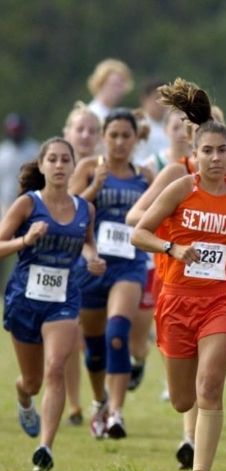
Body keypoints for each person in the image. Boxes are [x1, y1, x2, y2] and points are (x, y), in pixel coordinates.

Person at [132, 118, 226, 471]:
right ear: (195, 155)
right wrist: (171, 249)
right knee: (181, 399)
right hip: (176, 301)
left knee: (209, 386)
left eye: (221, 151)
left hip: (220, 301)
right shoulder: (180, 189)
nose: (214, 158)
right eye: (206, 151)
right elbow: (139, 232)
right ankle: (191, 439)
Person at [2, 138, 103, 471]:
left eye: (65, 160)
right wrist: (25, 240)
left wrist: (93, 258)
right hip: (25, 298)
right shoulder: (27, 205)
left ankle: (45, 447)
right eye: (53, 160)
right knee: (31, 380)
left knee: (56, 366)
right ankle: (23, 397)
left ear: (74, 166)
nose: (60, 166)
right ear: (42, 166)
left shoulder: (85, 209)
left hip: (63, 298)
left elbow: (87, 244)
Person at [68, 109, 154, 439]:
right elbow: (69, 210)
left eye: (126, 136)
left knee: (117, 333)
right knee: (93, 347)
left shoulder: (145, 176)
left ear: (135, 139)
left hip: (128, 265)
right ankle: (99, 401)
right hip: (91, 264)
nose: (119, 142)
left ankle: (117, 413)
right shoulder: (89, 168)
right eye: (113, 135)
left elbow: (154, 216)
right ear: (104, 137)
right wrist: (95, 188)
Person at [0, 114, 40, 209]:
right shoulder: (3, 152)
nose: (15, 133)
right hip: (6, 202)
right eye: (13, 130)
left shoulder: (34, 149)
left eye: (17, 130)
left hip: (30, 201)